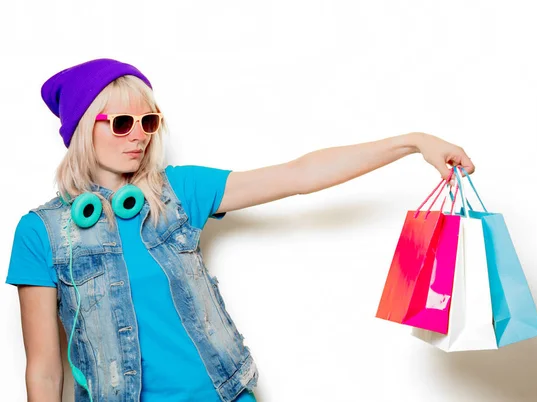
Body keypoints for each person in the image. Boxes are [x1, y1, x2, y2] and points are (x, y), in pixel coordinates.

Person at [5, 58, 475, 402]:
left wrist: (413, 142)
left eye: (149, 121)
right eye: (123, 122)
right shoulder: (40, 232)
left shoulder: (179, 192)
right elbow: (44, 371)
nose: (140, 135)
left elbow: (299, 175)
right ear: (83, 128)